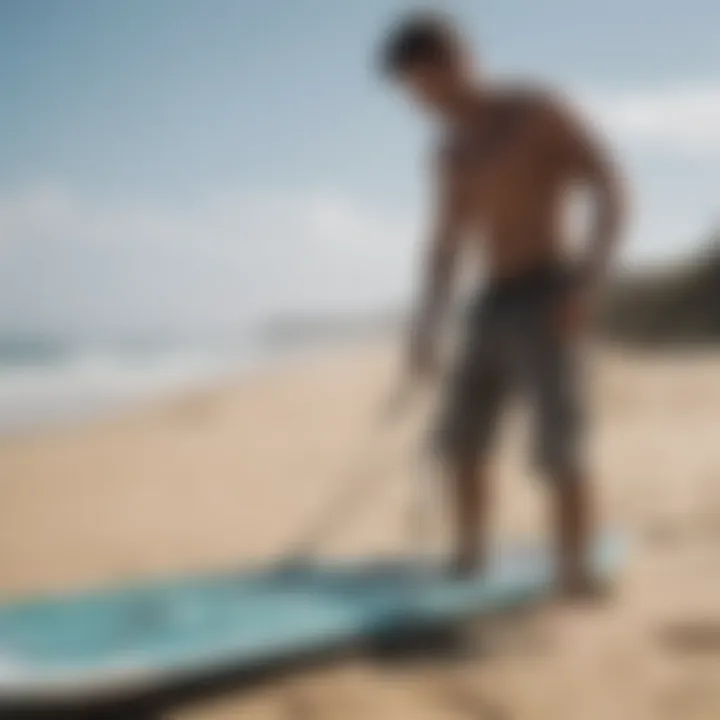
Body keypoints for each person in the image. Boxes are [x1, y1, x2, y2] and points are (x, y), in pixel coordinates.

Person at [379, 13, 626, 595]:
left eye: (425, 86)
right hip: (489, 302)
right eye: (412, 93)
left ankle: (576, 574)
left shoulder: (536, 112)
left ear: (458, 59)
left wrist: (588, 284)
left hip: (551, 290)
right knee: (460, 440)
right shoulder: (449, 152)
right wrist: (425, 326)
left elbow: (612, 187)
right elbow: (443, 245)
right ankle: (470, 562)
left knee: (558, 444)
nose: (422, 103)